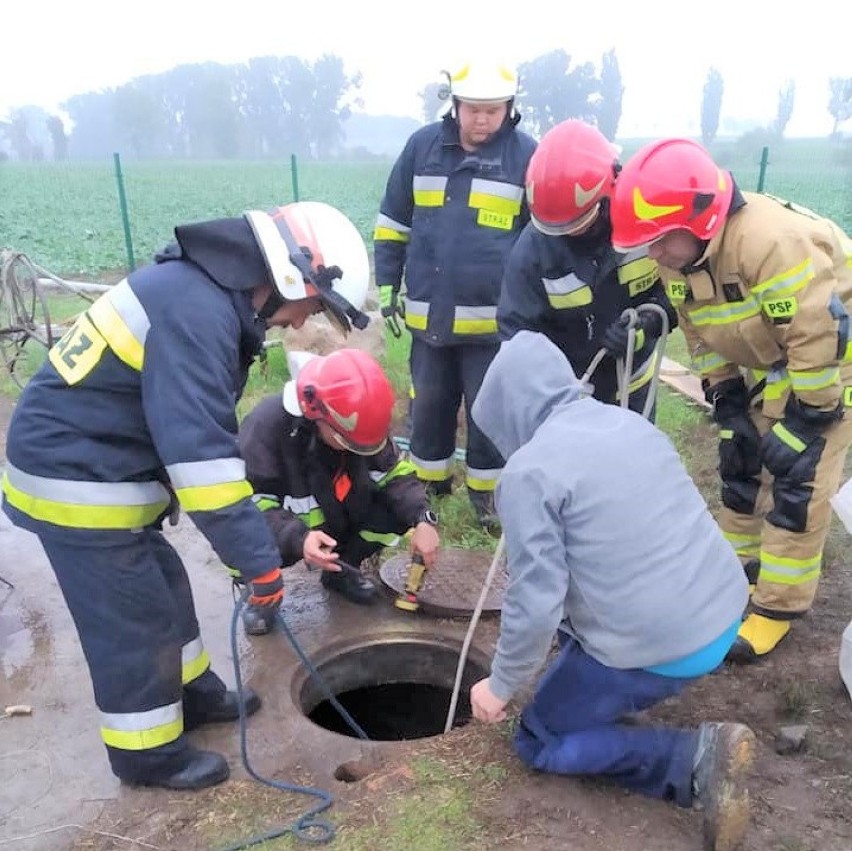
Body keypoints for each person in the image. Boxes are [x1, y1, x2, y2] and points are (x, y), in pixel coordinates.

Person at [0, 200, 371, 790]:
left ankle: (192, 694)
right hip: (75, 477)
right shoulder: (199, 314)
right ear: (288, 276)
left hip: (101, 466)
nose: (302, 322)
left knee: (164, 583)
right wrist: (260, 564)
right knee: (133, 616)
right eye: (313, 304)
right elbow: (204, 463)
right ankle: (146, 754)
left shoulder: (205, 296)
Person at [468, 331, 755, 851]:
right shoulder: (626, 422)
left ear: (508, 413)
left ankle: (690, 760)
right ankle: (612, 683)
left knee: (540, 740)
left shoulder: (530, 472)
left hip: (665, 645)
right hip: (722, 609)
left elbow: (536, 601)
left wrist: (500, 685)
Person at [608, 138, 852, 662]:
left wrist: (809, 418)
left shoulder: (771, 243)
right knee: (741, 460)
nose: (651, 254)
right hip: (781, 354)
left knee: (797, 478)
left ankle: (778, 606)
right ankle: (734, 573)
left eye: (657, 240)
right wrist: (727, 398)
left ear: (698, 220)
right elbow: (700, 331)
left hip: (834, 358)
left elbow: (816, 332)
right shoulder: (679, 257)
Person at [373, 61, 537, 528]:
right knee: (428, 405)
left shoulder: (526, 157)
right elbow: (393, 220)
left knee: (487, 413)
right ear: (455, 104)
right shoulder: (421, 148)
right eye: (473, 110)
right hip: (429, 318)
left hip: (493, 325)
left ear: (509, 109)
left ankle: (486, 500)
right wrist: (388, 282)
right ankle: (431, 486)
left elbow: (540, 240)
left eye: (493, 110)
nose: (482, 120)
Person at [236, 347, 441, 635]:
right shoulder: (266, 427)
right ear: (316, 415)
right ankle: (261, 594)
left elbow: (395, 475)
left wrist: (424, 518)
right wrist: (298, 538)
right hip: (284, 529)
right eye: (350, 443)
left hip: (334, 520)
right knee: (245, 538)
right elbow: (248, 508)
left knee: (395, 511)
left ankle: (342, 571)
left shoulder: (359, 423)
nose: (359, 451)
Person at [497, 119, 677, 416]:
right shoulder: (533, 248)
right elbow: (516, 331)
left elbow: (680, 294)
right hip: (567, 392)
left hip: (633, 386)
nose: (568, 232)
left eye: (578, 222)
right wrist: (540, 387)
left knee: (633, 460)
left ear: (609, 193)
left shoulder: (647, 226)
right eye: (558, 227)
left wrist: (646, 326)